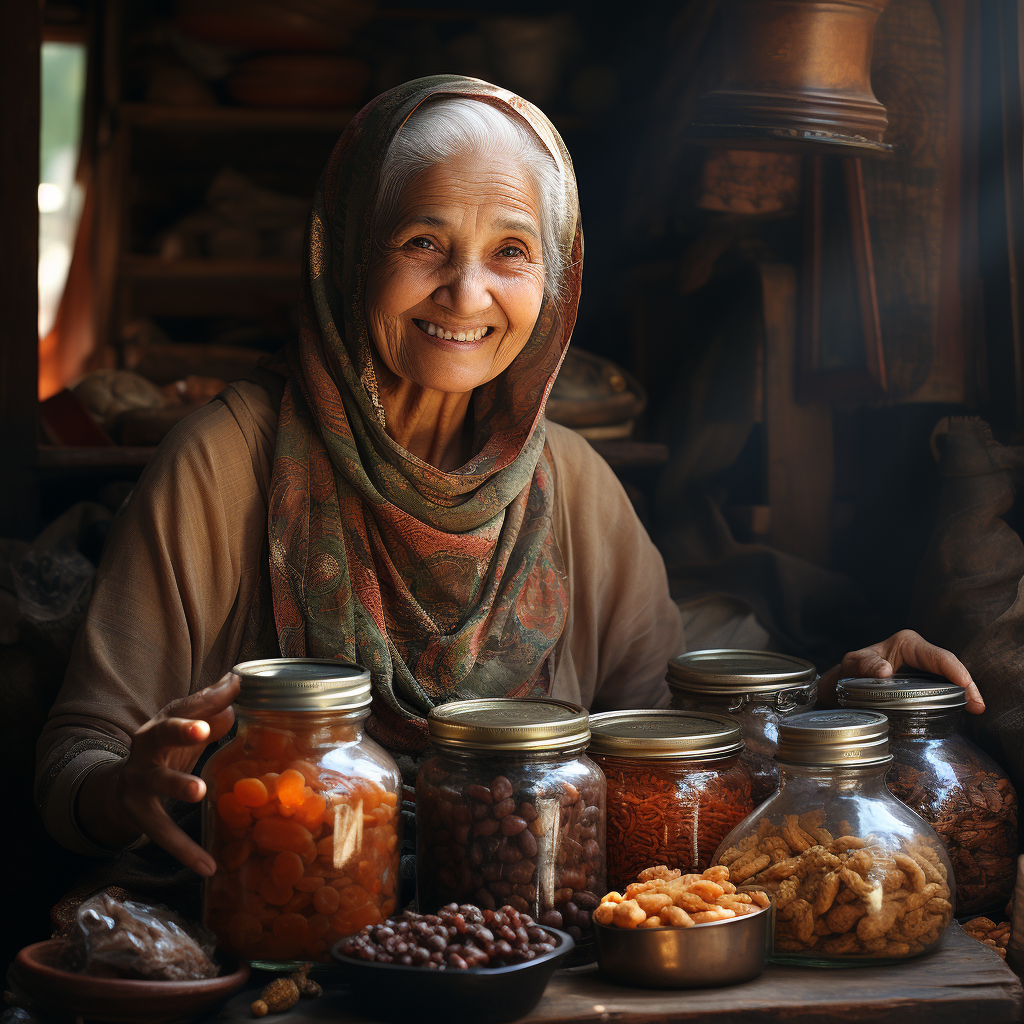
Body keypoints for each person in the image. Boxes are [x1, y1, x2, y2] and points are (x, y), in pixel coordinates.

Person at [35, 76, 984, 890]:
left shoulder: (571, 484)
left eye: (512, 251)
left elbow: (676, 745)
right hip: (281, 919)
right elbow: (76, 751)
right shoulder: (224, 463)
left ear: (558, 280)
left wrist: (838, 698)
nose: (467, 293)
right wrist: (125, 789)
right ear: (347, 251)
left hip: (536, 935)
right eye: (422, 242)